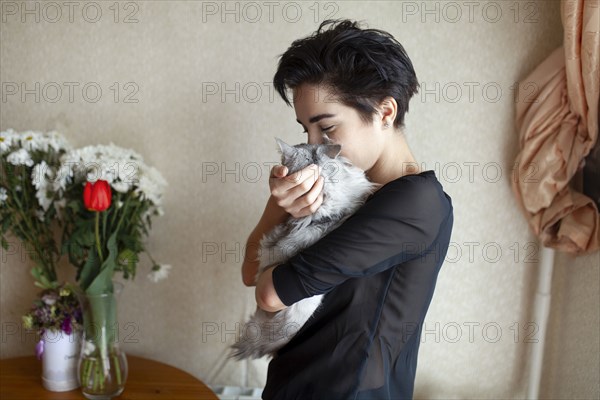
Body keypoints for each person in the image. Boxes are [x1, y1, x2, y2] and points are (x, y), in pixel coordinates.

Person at [241, 19, 454, 400]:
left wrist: (283, 247)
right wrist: (278, 204)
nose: (313, 147)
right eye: (305, 130)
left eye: (327, 128)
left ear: (385, 111)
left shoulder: (416, 203)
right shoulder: (341, 192)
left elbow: (269, 293)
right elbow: (248, 270)